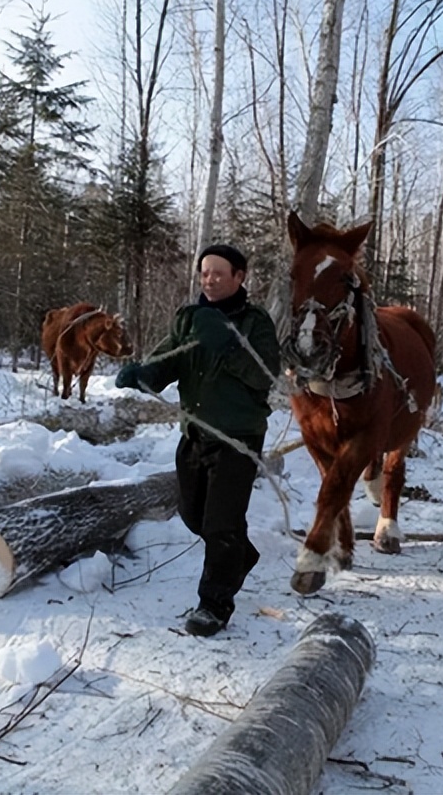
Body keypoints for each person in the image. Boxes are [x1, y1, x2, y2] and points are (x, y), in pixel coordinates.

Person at [115, 244, 281, 636]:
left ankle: (214, 605)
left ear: (239, 278)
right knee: (194, 516)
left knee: (222, 523)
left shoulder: (255, 322)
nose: (209, 279)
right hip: (195, 434)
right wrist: (144, 375)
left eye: (218, 273)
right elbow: (169, 359)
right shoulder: (188, 318)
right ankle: (240, 556)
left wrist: (227, 346)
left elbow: (266, 376)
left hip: (237, 438)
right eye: (205, 272)